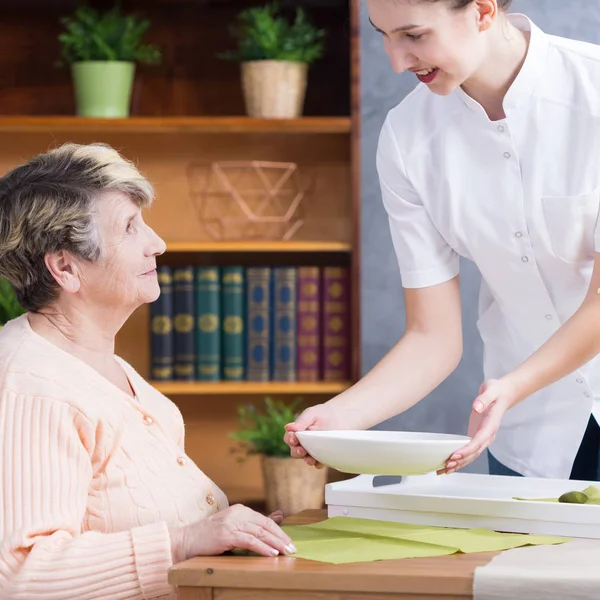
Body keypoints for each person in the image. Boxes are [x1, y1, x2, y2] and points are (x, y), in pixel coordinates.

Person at [285, 0, 600, 482]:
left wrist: (513, 386)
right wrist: (341, 417)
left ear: (482, 11)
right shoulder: (407, 139)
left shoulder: (593, 91)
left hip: (512, 397)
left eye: (413, 35)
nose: (396, 61)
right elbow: (432, 336)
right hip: (529, 440)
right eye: (383, 36)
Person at [0, 143, 296, 600]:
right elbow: (21, 575)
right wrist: (185, 542)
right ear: (65, 266)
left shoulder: (106, 368)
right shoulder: (32, 386)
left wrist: (228, 539)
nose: (157, 244)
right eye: (130, 227)